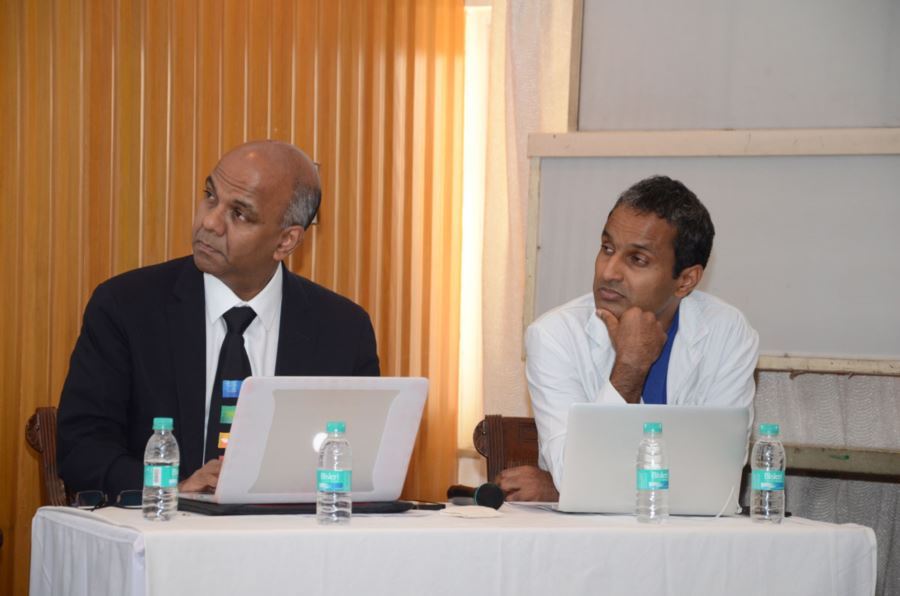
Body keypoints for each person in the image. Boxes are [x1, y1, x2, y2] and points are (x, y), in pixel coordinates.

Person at [57, 140, 379, 498]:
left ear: (286, 241)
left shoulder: (343, 330)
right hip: (163, 527)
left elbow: (363, 462)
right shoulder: (126, 307)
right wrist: (172, 489)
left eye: (239, 213)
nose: (209, 222)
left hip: (288, 529)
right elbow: (80, 447)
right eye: (210, 196)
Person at [499, 176, 758, 501]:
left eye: (637, 260)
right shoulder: (554, 336)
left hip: (689, 530)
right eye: (607, 249)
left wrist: (556, 487)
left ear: (685, 280)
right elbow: (576, 475)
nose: (609, 272)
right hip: (591, 532)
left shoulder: (728, 331)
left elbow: (719, 475)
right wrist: (630, 367)